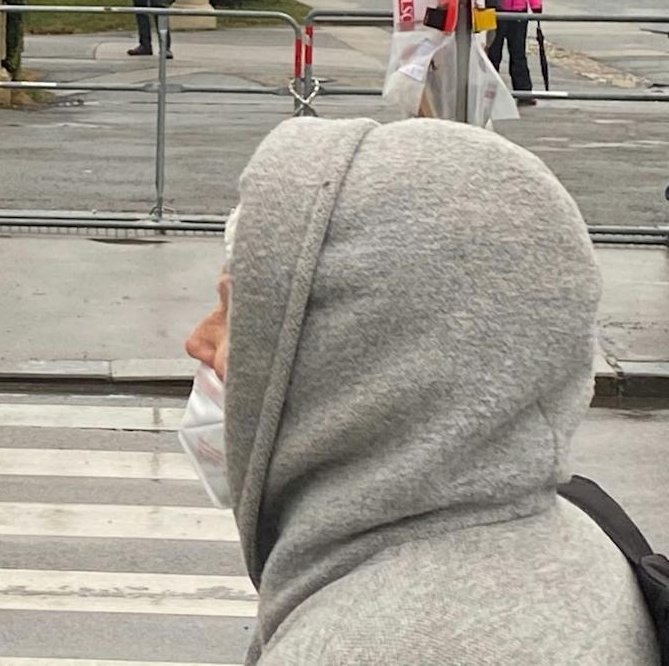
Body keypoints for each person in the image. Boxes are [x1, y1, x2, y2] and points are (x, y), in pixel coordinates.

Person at [181, 117, 658, 665]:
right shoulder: (573, 541)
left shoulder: (369, 645)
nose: (198, 340)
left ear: (352, 351)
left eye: (235, 312)